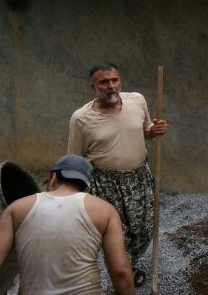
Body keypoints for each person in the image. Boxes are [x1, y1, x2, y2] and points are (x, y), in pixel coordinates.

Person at [0, 154, 135, 295]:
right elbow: (120, 271)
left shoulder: (17, 208)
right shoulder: (104, 210)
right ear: (85, 185)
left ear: (53, 177)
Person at [68, 63, 168, 287]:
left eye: (114, 80)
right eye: (104, 82)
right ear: (93, 86)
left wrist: (154, 130)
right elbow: (75, 158)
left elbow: (146, 129)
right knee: (115, 237)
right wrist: (71, 194)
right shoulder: (81, 119)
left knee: (143, 231)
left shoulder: (137, 101)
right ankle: (121, 276)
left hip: (139, 178)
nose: (111, 86)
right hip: (105, 185)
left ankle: (126, 265)